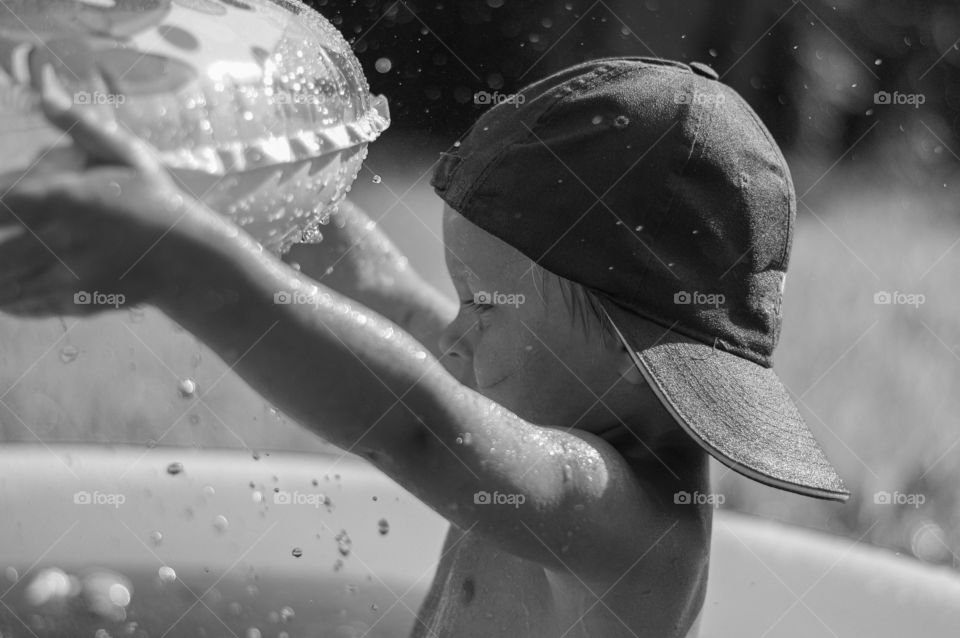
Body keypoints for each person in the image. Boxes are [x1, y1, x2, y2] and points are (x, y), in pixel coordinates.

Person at [0, 58, 848, 638]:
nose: (453, 326)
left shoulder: (629, 522)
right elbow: (377, 294)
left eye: (484, 300)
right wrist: (217, 171)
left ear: (633, 346)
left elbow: (414, 426)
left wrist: (185, 260)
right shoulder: (556, 393)